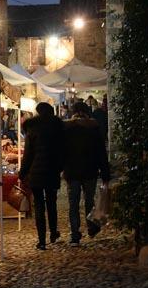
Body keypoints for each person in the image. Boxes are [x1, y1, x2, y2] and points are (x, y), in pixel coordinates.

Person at [62, 101, 111, 245]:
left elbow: (61, 153)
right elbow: (101, 153)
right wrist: (105, 174)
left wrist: (61, 168)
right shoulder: (94, 128)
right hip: (90, 170)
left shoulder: (66, 129)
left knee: (73, 204)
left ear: (73, 112)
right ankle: (91, 227)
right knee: (89, 201)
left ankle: (75, 235)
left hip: (72, 171)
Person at [19, 102, 64, 249]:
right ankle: (53, 233)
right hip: (52, 171)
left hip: (36, 172)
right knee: (51, 203)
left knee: (39, 205)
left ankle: (42, 240)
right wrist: (60, 167)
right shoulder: (57, 128)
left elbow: (28, 154)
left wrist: (23, 172)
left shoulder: (32, 128)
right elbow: (62, 151)